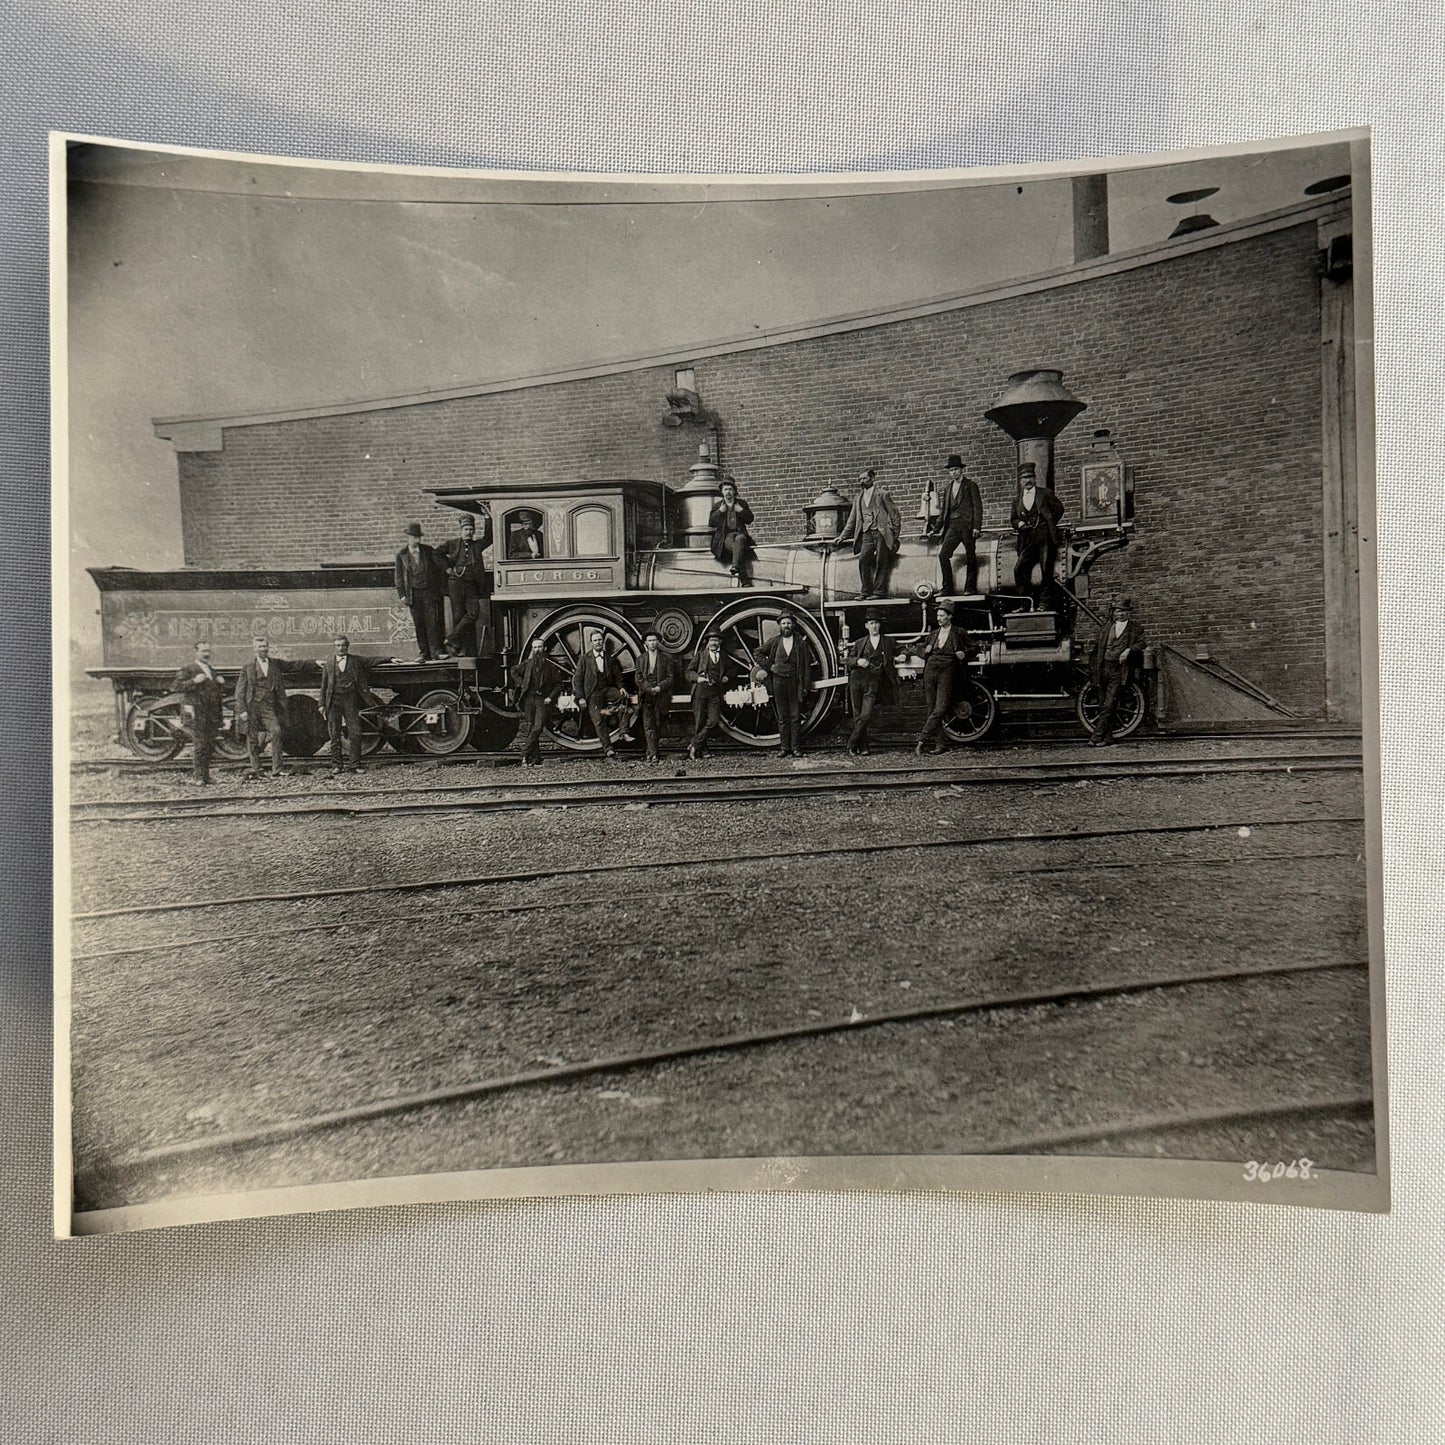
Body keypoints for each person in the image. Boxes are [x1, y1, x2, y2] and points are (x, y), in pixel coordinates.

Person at [913, 599, 971, 754]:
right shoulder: (932, 634)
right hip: (930, 671)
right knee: (931, 709)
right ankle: (940, 744)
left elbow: (975, 647)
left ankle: (921, 739)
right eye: (938, 615)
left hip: (948, 671)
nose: (938, 618)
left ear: (950, 616)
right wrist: (925, 650)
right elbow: (918, 650)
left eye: (942, 616)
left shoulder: (959, 632)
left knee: (940, 708)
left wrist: (965, 653)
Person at [754, 612, 815, 758]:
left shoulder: (801, 643)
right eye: (783, 623)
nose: (786, 626)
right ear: (779, 626)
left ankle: (796, 748)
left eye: (788, 623)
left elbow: (807, 666)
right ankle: (784, 747)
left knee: (795, 716)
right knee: (782, 717)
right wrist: (770, 666)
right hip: (778, 682)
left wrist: (805, 686)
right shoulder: (774, 641)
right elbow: (757, 653)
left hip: (795, 682)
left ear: (793, 625)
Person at [836, 468, 902, 599]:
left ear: (873, 478)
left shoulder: (882, 494)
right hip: (866, 534)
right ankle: (865, 591)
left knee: (881, 561)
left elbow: (895, 515)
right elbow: (852, 520)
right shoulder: (858, 498)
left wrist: (895, 535)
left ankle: (879, 592)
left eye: (864, 478)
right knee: (863, 561)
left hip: (881, 533)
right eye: (859, 479)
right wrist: (842, 536)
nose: (861, 481)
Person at [434, 512, 493, 657]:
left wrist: (487, 518)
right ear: (461, 530)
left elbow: (489, 538)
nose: (469, 532)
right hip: (455, 584)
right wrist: (447, 568)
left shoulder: (477, 545)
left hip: (472, 585)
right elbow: (436, 554)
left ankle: (452, 639)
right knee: (458, 616)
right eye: (466, 529)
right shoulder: (452, 544)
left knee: (473, 614)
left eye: (471, 529)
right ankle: (462, 650)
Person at [1090, 597, 1146, 746]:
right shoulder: (1106, 628)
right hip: (1103, 668)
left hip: (1119, 670)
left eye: (1124, 611)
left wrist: (1128, 650)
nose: (1120, 614)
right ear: (1114, 612)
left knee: (1109, 703)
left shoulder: (1135, 629)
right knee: (1104, 704)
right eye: (1118, 611)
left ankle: (1096, 737)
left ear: (1129, 613)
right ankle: (1108, 738)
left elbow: (1142, 643)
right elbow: (1097, 649)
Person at [319, 635, 379, 774]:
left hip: (350, 700)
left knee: (355, 732)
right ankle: (336, 765)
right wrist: (321, 704)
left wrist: (390, 659)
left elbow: (372, 660)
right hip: (334, 701)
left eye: (343, 645)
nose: (341, 648)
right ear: (335, 647)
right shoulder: (328, 664)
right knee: (334, 734)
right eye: (338, 646)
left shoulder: (356, 661)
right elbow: (323, 686)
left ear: (347, 646)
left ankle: (355, 765)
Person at [1009, 463, 1065, 605]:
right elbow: (1013, 519)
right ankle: (1026, 602)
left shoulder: (1045, 493)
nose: (1028, 480)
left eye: (1030, 477)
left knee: (1046, 570)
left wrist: (1049, 522)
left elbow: (1059, 508)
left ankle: (1044, 603)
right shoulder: (1017, 500)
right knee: (1019, 569)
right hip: (1027, 539)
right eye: (1024, 478)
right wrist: (1019, 524)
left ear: (1035, 479)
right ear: (1020, 481)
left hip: (1044, 537)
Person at [172, 639, 225, 785]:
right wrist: (194, 681)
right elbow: (177, 686)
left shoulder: (211, 670)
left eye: (208, 651)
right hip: (197, 713)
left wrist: (219, 682)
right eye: (203, 651)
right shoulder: (189, 669)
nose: (206, 654)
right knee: (200, 744)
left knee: (209, 745)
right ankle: (198, 777)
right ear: (196, 652)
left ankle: (206, 776)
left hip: (211, 713)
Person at [235, 635, 288, 779]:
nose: (263, 649)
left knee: (276, 731)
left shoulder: (275, 664)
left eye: (265, 646)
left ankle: (277, 769)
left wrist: (314, 663)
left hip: (268, 706)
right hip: (252, 706)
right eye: (260, 647)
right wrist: (242, 710)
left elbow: (294, 665)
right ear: (255, 649)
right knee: (252, 738)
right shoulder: (248, 667)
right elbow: (240, 691)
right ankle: (257, 769)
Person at [572, 628, 629, 761]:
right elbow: (577, 679)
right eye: (595, 640)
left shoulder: (610, 659)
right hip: (593, 693)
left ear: (603, 641)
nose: (598, 642)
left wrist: (621, 687)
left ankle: (623, 730)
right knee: (598, 720)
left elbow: (618, 676)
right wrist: (580, 697)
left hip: (607, 690)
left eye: (599, 640)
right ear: (591, 643)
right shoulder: (585, 659)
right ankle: (608, 748)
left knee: (623, 697)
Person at [846, 609, 897, 755]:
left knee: (866, 715)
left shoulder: (888, 642)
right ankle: (864, 747)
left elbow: (903, 650)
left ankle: (851, 743)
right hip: (856, 680)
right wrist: (857, 661)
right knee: (857, 715)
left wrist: (902, 656)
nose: (874, 626)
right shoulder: (859, 642)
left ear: (880, 625)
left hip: (873, 683)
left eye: (876, 623)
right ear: (866, 626)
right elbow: (847, 661)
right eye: (871, 623)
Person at [394, 523, 447, 661]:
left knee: (432, 623)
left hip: (429, 592)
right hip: (413, 594)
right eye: (414, 537)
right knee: (419, 624)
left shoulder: (428, 551)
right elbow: (398, 577)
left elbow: (439, 568)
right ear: (408, 537)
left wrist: (440, 588)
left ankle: (436, 652)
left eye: (418, 537)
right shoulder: (401, 554)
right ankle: (423, 653)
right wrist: (402, 595)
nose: (417, 540)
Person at [934, 454, 984, 596]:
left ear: (961, 470)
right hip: (953, 527)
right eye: (951, 470)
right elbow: (944, 511)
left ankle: (970, 588)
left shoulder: (970, 485)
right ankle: (947, 588)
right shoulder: (948, 488)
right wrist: (936, 528)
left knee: (970, 556)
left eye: (956, 469)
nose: (954, 472)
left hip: (967, 526)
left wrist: (976, 526)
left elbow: (977, 507)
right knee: (943, 555)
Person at [514, 636, 566, 767]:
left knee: (538, 726)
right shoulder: (527, 664)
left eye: (540, 647)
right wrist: (521, 684)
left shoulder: (550, 666)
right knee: (531, 727)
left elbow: (559, 684)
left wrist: (550, 697)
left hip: (542, 699)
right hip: (528, 699)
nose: (538, 650)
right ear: (533, 649)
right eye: (535, 647)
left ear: (545, 648)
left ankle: (524, 754)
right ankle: (536, 758)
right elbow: (513, 671)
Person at [633, 630, 676, 763]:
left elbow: (670, 678)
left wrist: (659, 687)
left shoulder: (666, 658)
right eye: (650, 641)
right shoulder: (641, 659)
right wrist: (649, 688)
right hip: (647, 695)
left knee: (657, 723)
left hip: (661, 694)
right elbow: (638, 678)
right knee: (648, 724)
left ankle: (651, 751)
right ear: (645, 643)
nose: (652, 643)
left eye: (654, 640)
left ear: (658, 642)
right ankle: (653, 754)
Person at [685, 632, 729, 760]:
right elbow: (688, 671)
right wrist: (697, 678)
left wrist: (728, 676)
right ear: (708, 642)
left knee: (714, 721)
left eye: (716, 640)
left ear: (720, 642)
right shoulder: (700, 655)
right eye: (711, 640)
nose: (714, 643)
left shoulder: (724, 656)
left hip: (715, 692)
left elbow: (733, 669)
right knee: (699, 722)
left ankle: (694, 745)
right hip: (700, 691)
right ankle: (702, 750)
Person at [709, 478, 755, 585]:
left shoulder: (742, 504)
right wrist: (720, 512)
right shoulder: (717, 506)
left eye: (730, 489)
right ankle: (744, 579)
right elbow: (711, 523)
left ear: (734, 491)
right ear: (722, 492)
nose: (728, 492)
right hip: (726, 538)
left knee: (740, 540)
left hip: (740, 535)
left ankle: (735, 567)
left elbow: (750, 520)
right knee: (738, 549)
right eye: (726, 490)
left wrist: (741, 511)